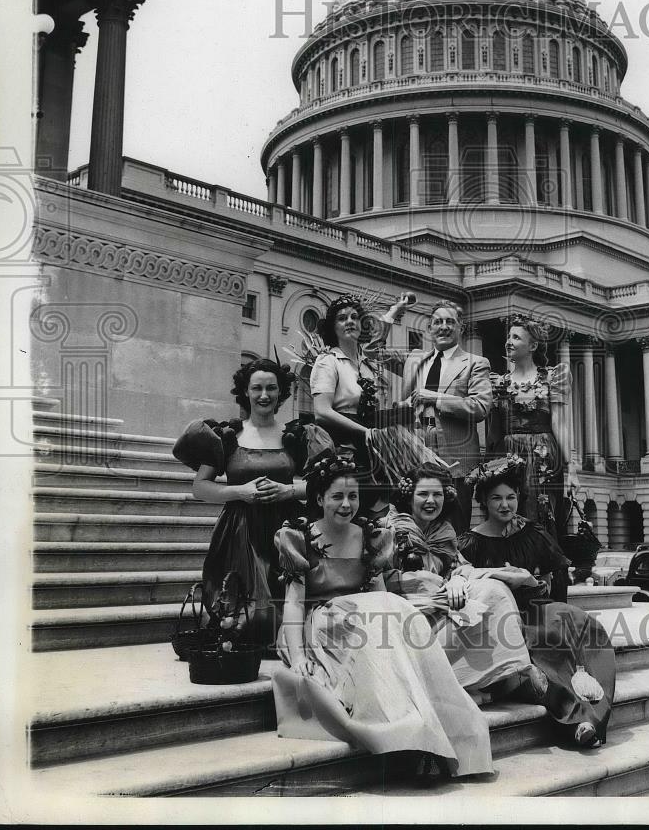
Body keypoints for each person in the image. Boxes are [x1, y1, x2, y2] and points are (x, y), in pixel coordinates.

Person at [272, 451, 493, 779]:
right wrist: (299, 655)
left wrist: (397, 622)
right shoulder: (300, 536)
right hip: (321, 621)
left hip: (360, 616)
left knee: (397, 613)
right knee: (379, 620)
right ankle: (402, 733)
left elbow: (379, 594)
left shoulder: (370, 534)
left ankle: (426, 729)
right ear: (319, 497)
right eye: (337, 497)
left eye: (352, 496)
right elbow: (293, 602)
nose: (346, 505)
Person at [458, 457, 616, 749]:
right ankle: (577, 720)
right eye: (496, 499)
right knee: (545, 647)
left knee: (586, 628)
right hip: (504, 619)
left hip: (540, 606)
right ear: (483, 502)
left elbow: (555, 575)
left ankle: (596, 715)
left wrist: (545, 591)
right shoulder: (470, 543)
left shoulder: (533, 533)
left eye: (511, 498)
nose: (505, 505)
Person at [172, 357, 331, 645]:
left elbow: (326, 487)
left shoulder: (296, 436)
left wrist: (289, 491)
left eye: (271, 388)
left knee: (283, 613)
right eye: (256, 388)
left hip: (285, 532)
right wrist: (240, 492)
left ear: (281, 392)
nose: (264, 395)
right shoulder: (227, 436)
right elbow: (200, 488)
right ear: (245, 391)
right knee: (248, 616)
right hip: (240, 532)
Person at [383, 464, 547, 703]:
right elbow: (380, 578)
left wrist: (457, 579)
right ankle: (476, 682)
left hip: (441, 609)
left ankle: (508, 671)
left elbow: (460, 567)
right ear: (409, 496)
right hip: (410, 616)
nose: (431, 501)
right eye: (423, 494)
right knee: (480, 599)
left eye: (437, 494)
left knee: (493, 590)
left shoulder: (444, 531)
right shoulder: (392, 530)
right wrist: (428, 585)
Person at [309, 293, 448, 520]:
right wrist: (367, 432)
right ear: (332, 328)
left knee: (376, 511)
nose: (350, 322)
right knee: (347, 507)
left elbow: (377, 338)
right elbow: (321, 411)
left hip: (371, 445)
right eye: (342, 318)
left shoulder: (366, 363)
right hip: (343, 445)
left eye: (354, 317)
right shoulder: (328, 361)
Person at [486, 313, 576, 600]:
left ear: (534, 344)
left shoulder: (554, 377)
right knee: (505, 522)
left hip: (543, 458)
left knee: (542, 522)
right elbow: (493, 431)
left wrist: (571, 466)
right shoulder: (498, 382)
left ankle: (547, 596)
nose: (508, 342)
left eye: (516, 337)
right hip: (507, 457)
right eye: (508, 337)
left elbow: (561, 422)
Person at [398, 301, 493, 533]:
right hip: (416, 454)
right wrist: (393, 313)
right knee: (415, 527)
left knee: (455, 528)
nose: (443, 327)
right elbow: (371, 351)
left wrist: (435, 398)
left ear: (461, 327)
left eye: (450, 322)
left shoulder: (475, 363)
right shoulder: (415, 360)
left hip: (456, 460)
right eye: (438, 322)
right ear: (429, 328)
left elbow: (480, 407)